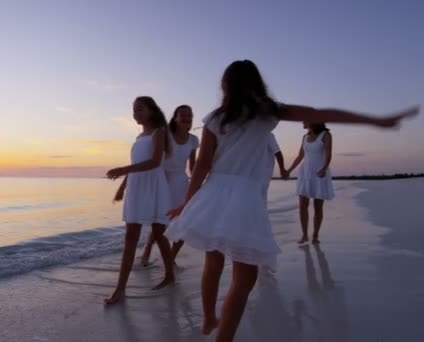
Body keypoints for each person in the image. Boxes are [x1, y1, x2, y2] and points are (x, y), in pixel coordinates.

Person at [165, 59, 418, 342]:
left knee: (213, 262)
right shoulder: (268, 112)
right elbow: (318, 112)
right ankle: (223, 336)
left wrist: (188, 204)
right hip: (246, 199)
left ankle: (210, 317)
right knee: (244, 279)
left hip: (213, 194)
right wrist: (373, 120)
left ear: (225, 85)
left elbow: (201, 167)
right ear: (258, 83)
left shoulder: (215, 118)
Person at [105, 96, 176, 305]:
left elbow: (154, 162)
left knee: (159, 234)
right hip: (137, 188)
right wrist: (122, 186)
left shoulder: (159, 132)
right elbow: (136, 163)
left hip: (154, 186)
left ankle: (170, 274)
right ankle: (120, 289)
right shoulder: (138, 137)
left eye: (140, 109)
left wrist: (123, 169)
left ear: (152, 111)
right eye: (134, 110)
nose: (136, 113)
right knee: (130, 237)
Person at [140, 104, 199, 266]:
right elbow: (155, 158)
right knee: (160, 222)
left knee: (184, 222)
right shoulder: (166, 135)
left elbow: (192, 166)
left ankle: (171, 258)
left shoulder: (194, 140)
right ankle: (146, 253)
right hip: (163, 181)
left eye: (190, 115)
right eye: (183, 115)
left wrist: (198, 184)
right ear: (175, 118)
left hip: (182, 183)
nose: (187, 118)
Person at [286, 122, 333, 244]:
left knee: (318, 207)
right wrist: (289, 170)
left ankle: (315, 236)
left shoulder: (326, 135)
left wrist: (324, 168)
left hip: (319, 173)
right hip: (305, 173)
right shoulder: (304, 137)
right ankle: (304, 235)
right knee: (302, 206)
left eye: (305, 119)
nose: (302, 122)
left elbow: (328, 154)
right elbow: (300, 156)